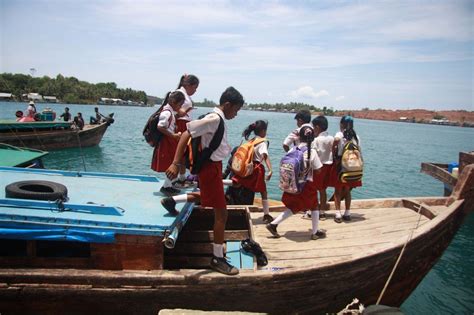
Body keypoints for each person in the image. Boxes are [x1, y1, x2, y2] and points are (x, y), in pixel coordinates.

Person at [164, 86, 244, 276]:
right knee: (221, 214)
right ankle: (217, 258)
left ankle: (170, 201)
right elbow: (186, 133)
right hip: (210, 169)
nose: (235, 114)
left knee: (208, 198)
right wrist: (175, 163)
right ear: (227, 105)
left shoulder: (218, 118)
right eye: (235, 110)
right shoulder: (214, 118)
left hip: (213, 168)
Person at [266, 126, 326, 240]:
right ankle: (314, 232)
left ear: (300, 136)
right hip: (306, 185)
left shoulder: (293, 149)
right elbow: (318, 169)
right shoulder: (311, 152)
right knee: (313, 206)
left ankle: (274, 224)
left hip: (293, 183)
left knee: (295, 206)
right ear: (312, 138)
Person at [232, 120, 273, 223]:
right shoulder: (262, 142)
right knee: (263, 192)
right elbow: (265, 156)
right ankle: (266, 214)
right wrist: (270, 169)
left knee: (236, 183)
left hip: (247, 166)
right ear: (263, 131)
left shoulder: (252, 140)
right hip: (256, 169)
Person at [151, 91, 185, 196]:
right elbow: (160, 127)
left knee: (173, 163)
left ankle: (168, 185)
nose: (180, 107)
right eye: (180, 105)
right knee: (172, 164)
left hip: (170, 141)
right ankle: (166, 186)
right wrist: (173, 135)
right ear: (174, 102)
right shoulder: (166, 113)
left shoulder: (169, 112)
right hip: (167, 142)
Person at [330, 115, 362, 223]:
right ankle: (347, 213)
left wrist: (334, 153)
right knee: (347, 190)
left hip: (341, 165)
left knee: (338, 191)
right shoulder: (356, 137)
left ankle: (338, 214)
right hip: (352, 166)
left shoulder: (340, 134)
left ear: (342, 124)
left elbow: (335, 142)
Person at [302, 116, 334, 220]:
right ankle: (322, 212)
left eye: (313, 127)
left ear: (317, 127)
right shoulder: (331, 138)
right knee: (323, 190)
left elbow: (312, 155)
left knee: (313, 190)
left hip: (318, 168)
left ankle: (312, 212)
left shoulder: (316, 140)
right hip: (328, 167)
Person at [174, 74, 200, 188]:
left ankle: (182, 178)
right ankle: (176, 179)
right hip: (180, 124)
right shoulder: (179, 93)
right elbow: (172, 105)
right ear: (189, 85)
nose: (195, 90)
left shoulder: (183, 93)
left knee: (184, 153)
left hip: (185, 124)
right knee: (180, 152)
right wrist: (181, 111)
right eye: (195, 87)